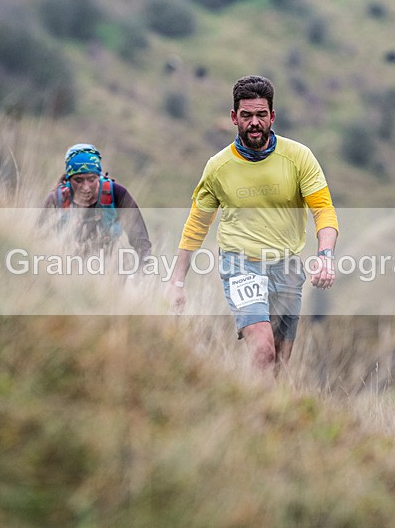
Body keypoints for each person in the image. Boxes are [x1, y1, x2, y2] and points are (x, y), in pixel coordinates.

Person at [169, 75, 339, 378]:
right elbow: (196, 226)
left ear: (272, 116)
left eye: (261, 114)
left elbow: (323, 210)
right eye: (246, 115)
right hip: (240, 263)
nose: (254, 123)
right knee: (262, 351)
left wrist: (325, 255)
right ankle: (252, 415)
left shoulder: (298, 157)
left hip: (286, 266)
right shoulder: (218, 167)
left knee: (280, 364)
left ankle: (265, 417)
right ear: (234, 118)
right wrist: (177, 282)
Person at [42, 143, 152, 267]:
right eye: (78, 180)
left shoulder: (117, 194)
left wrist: (141, 273)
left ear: (99, 176)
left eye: (91, 179)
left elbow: (141, 241)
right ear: (68, 179)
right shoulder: (57, 199)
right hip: (67, 265)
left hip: (109, 267)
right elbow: (38, 239)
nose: (86, 187)